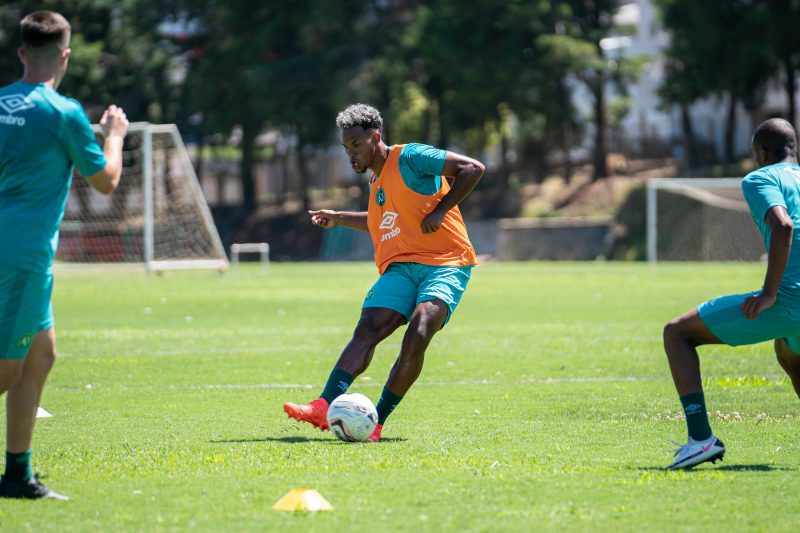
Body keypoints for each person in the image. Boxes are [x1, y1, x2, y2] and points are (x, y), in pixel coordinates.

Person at [284, 103, 484, 441]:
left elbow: (472, 167)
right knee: (369, 327)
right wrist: (337, 217)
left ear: (375, 137)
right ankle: (322, 405)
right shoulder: (376, 182)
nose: (351, 154)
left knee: (420, 329)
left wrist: (440, 210)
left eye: (357, 145)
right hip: (401, 267)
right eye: (346, 147)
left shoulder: (410, 157)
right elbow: (377, 222)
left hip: (445, 262)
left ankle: (376, 424)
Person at [0, 11, 129, 499]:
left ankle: (17, 475)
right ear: (65, 56)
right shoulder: (63, 112)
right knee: (7, 370)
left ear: (21, 53)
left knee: (41, 354)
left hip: (14, 249)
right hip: (22, 255)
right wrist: (113, 134)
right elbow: (106, 181)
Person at [663, 118, 800, 469]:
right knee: (787, 351)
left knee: (677, 333)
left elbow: (783, 226)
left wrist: (770, 293)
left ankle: (700, 440)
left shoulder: (761, 178)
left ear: (762, 152)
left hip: (790, 301)